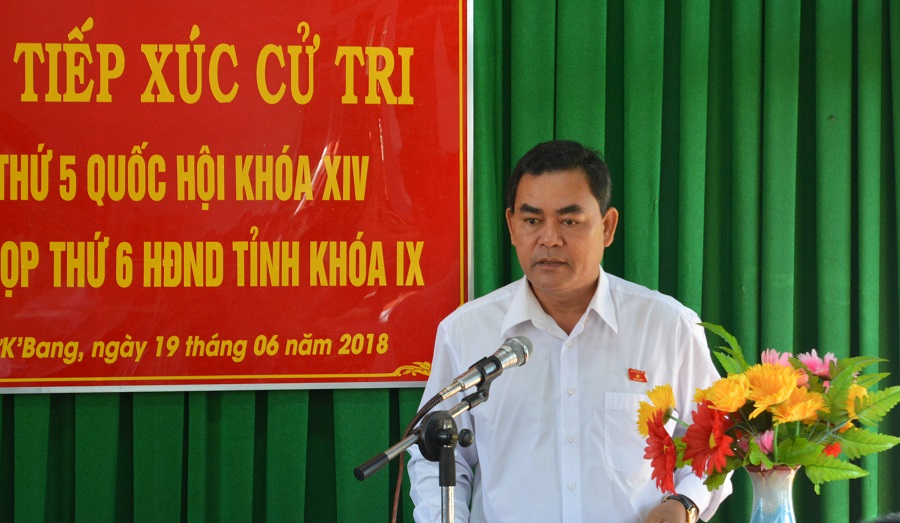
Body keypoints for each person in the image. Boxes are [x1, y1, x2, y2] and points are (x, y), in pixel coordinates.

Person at [407, 140, 731, 522]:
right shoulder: (467, 332)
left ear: (607, 227)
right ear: (511, 226)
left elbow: (716, 440)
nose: (549, 238)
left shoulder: (667, 327)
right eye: (532, 221)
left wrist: (686, 503)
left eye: (569, 221)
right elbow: (435, 457)